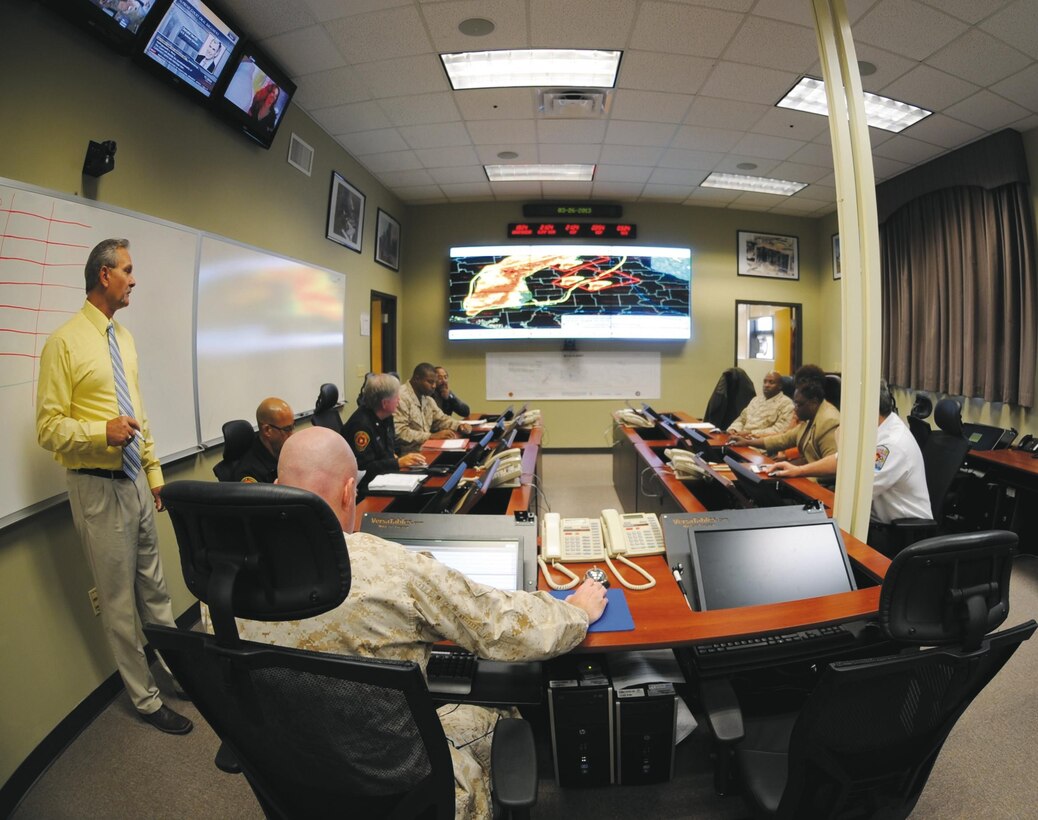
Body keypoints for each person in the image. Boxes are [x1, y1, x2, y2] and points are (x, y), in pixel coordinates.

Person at [216, 427, 608, 818]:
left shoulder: (223, 581)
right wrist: (576, 611)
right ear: (349, 492)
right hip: (405, 788)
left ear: (276, 485)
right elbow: (502, 628)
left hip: (295, 779)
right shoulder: (394, 569)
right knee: (500, 712)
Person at [35, 238, 192, 735]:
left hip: (135, 486)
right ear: (104, 275)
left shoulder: (123, 338)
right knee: (120, 603)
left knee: (156, 588)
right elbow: (48, 427)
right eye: (127, 269)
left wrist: (154, 474)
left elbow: (137, 413)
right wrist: (98, 432)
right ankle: (145, 700)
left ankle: (175, 672)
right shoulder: (63, 343)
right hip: (96, 489)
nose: (134, 279)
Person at [767, 380, 931, 536]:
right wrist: (798, 470)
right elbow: (839, 460)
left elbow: (857, 493)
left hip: (900, 534)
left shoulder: (892, 445)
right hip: (875, 524)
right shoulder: (877, 429)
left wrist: (842, 441)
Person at [342, 373, 427, 495]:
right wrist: (398, 463)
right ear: (385, 403)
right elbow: (364, 468)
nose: (399, 399)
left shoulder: (386, 416)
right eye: (396, 396)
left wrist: (396, 459)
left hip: (385, 476)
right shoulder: (361, 426)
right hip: (366, 486)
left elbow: (388, 449)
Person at [729, 378, 839, 465]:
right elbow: (783, 439)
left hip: (821, 484)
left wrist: (797, 470)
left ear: (814, 402)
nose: (795, 408)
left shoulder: (829, 422)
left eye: (799, 404)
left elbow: (833, 464)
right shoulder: (810, 418)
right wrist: (747, 442)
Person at [394, 362, 472, 453]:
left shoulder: (427, 398)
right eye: (430, 382)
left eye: (435, 382)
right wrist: (431, 436)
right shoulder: (400, 397)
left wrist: (459, 426)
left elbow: (441, 419)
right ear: (416, 379)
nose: (434, 386)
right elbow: (399, 432)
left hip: (426, 451)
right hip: (406, 455)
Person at [231, 397, 294, 483]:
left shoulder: (284, 453)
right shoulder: (249, 473)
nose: (292, 435)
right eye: (287, 429)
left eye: (292, 427)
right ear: (267, 430)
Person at [726, 370, 795, 438]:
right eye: (765, 382)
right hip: (741, 438)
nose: (766, 385)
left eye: (771, 382)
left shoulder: (787, 404)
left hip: (760, 443)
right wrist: (734, 429)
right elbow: (741, 419)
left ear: (780, 386)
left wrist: (751, 433)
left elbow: (779, 430)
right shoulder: (755, 400)